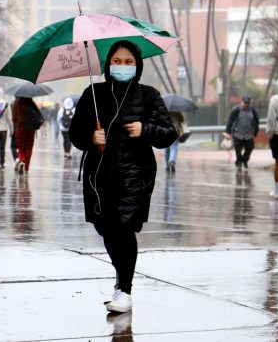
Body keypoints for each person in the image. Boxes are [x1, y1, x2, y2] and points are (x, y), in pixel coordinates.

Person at [69, 40, 177, 313]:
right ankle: (121, 276)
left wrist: (146, 129)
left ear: (137, 66)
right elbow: (75, 134)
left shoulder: (149, 95)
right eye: (117, 61)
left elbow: (169, 133)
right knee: (106, 228)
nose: (123, 66)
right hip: (100, 176)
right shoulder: (93, 93)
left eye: (129, 62)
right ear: (108, 64)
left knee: (124, 229)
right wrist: (91, 137)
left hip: (135, 175)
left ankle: (124, 290)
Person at [225, 96, 259, 169]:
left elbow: (256, 122)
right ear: (241, 102)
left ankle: (244, 160)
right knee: (238, 149)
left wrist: (255, 131)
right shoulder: (236, 110)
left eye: (247, 103)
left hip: (248, 134)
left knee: (250, 148)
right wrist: (228, 131)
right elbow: (230, 120)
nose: (245, 105)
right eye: (244, 103)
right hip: (238, 133)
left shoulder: (252, 111)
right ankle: (239, 161)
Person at [11, 97, 43, 175]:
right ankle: (26, 167)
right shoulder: (31, 104)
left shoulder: (15, 104)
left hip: (19, 127)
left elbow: (13, 118)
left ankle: (22, 160)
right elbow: (39, 116)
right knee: (28, 148)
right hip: (30, 128)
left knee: (21, 147)